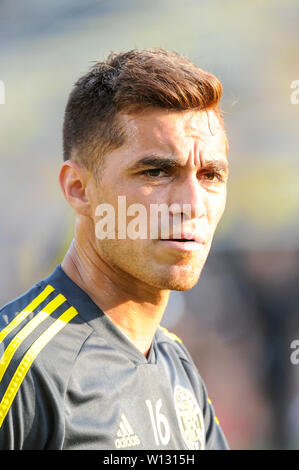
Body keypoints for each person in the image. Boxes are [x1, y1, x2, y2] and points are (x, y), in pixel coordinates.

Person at [0, 48, 229, 450]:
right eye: (156, 172)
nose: (192, 204)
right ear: (79, 190)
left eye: (210, 175)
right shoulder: (20, 368)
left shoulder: (178, 367)